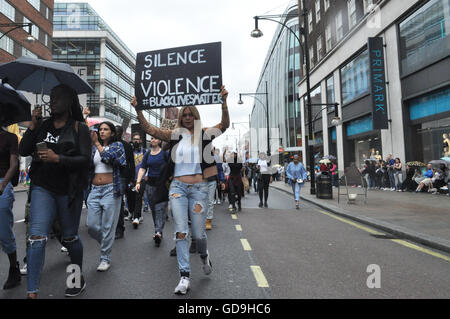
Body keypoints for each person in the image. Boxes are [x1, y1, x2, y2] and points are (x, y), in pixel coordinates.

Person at [131, 85, 229, 295]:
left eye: (189, 114)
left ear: (194, 116)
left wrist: (224, 102)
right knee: (181, 232)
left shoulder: (204, 133)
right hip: (177, 188)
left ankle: (204, 255)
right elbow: (150, 129)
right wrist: (139, 110)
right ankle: (184, 276)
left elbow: (224, 125)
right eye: (183, 114)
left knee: (198, 233)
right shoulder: (174, 134)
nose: (186, 117)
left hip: (199, 189)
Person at [18, 84, 91, 298]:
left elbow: (85, 161)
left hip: (68, 191)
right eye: (52, 97)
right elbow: (23, 150)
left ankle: (76, 280)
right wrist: (32, 126)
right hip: (42, 186)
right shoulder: (42, 125)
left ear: (69, 102)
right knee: (37, 237)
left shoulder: (80, 128)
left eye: (58, 98)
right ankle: (32, 292)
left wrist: (58, 158)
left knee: (69, 238)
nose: (53, 101)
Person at [86, 121, 126, 272]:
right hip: (95, 190)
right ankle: (106, 244)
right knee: (92, 226)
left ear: (113, 133)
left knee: (108, 226)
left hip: (111, 189)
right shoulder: (94, 149)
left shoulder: (118, 146)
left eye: (106, 129)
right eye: (100, 129)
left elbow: (109, 158)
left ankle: (105, 258)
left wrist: (96, 143)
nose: (102, 132)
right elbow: (91, 166)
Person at [135, 136, 169, 246]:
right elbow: (142, 168)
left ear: (160, 140)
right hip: (150, 184)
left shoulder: (165, 153)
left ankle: (158, 231)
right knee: (154, 209)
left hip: (162, 185)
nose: (153, 140)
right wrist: (138, 182)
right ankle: (158, 229)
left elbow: (171, 167)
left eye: (155, 138)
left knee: (160, 208)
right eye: (152, 138)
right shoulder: (147, 154)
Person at [0, 123, 21, 290]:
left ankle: (14, 268)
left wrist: (3, 184)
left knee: (4, 231)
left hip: (2, 184)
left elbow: (14, 164)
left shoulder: (10, 138)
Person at [115, 126, 135, 239]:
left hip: (123, 177)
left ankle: (119, 228)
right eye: (115, 131)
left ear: (122, 133)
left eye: (118, 131)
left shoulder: (127, 146)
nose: (116, 133)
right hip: (109, 176)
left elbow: (131, 163)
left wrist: (132, 179)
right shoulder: (108, 144)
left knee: (119, 202)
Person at [129, 132, 147, 229]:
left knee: (138, 197)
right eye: (134, 139)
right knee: (131, 197)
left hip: (142, 179)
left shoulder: (144, 151)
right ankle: (134, 214)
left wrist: (146, 175)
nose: (136, 141)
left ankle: (136, 217)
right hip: (132, 179)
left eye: (137, 139)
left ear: (140, 141)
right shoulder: (130, 152)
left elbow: (147, 165)